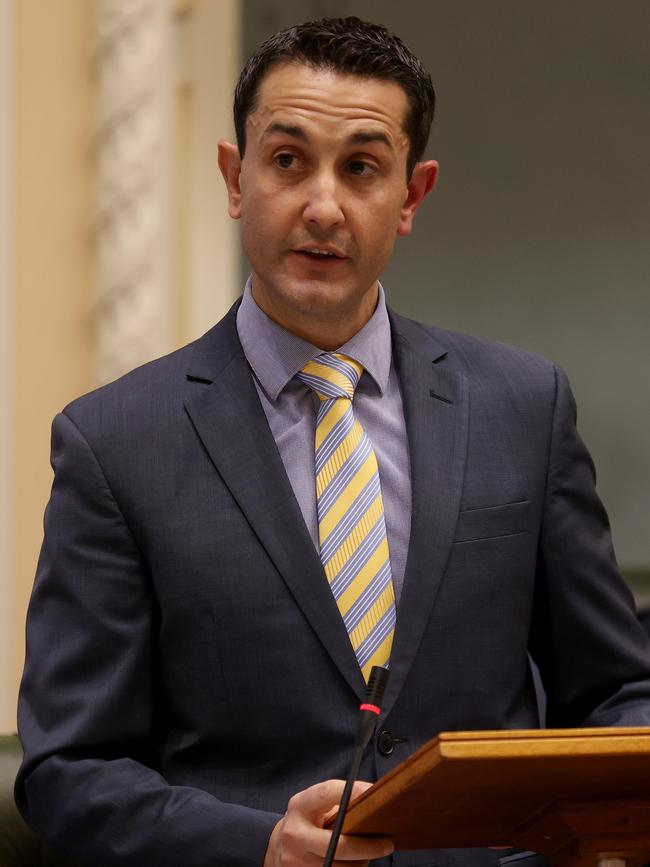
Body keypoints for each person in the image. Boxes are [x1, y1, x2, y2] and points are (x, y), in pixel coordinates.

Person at [15, 16, 650, 867]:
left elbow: (618, 691)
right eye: (286, 161)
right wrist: (259, 847)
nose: (322, 205)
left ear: (412, 195)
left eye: (360, 168)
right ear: (235, 178)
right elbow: (70, 770)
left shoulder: (523, 406)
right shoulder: (114, 443)